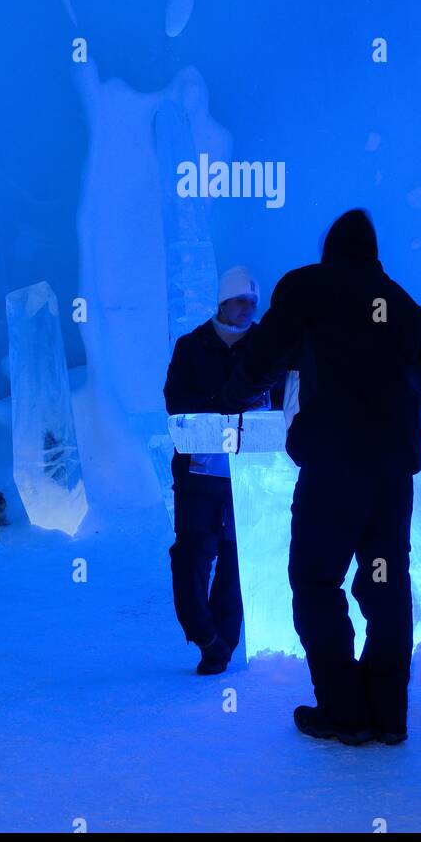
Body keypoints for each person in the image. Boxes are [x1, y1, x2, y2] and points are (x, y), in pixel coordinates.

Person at [217, 209, 421, 745]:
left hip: (333, 469)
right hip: (390, 475)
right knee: (386, 585)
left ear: (330, 248)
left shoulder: (307, 288)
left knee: (317, 582)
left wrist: (232, 398)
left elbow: (261, 359)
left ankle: (345, 711)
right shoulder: (405, 307)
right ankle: (388, 716)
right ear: (373, 250)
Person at [164, 266, 283, 675]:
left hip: (249, 476)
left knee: (236, 557)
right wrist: (226, 404)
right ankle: (204, 634)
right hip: (200, 474)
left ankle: (224, 642)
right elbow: (176, 402)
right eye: (241, 301)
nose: (248, 309)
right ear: (223, 303)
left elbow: (283, 402)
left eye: (253, 301)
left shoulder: (269, 349)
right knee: (193, 553)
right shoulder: (191, 347)